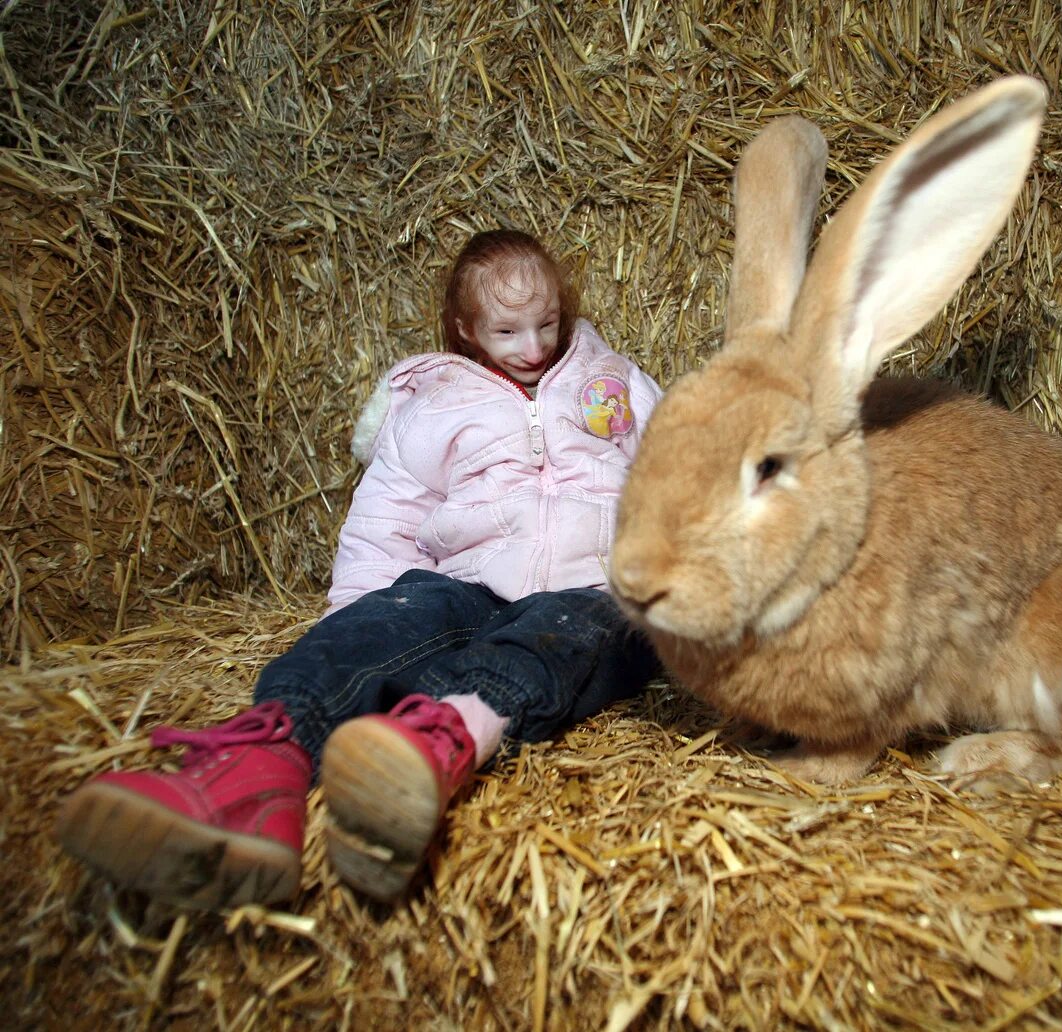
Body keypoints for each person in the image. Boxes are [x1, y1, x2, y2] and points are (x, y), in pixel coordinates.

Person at [57, 229, 662, 909]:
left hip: (590, 586)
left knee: (573, 634)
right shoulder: (435, 403)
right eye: (506, 330)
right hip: (468, 581)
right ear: (465, 329)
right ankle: (254, 769)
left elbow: (683, 467)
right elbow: (387, 518)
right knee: (402, 614)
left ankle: (432, 747)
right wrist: (361, 620)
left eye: (547, 323)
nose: (533, 347)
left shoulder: (614, 380)